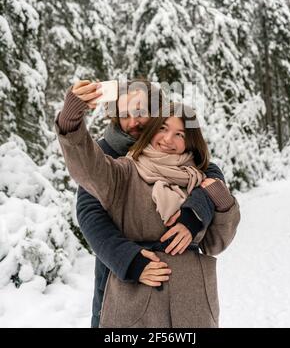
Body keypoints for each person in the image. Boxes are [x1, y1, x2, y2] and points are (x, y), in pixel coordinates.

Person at [55, 80, 240, 328]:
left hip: (189, 296)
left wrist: (196, 211)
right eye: (125, 114)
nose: (133, 122)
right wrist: (129, 261)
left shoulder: (191, 167)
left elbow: (211, 179)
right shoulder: (112, 160)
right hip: (127, 271)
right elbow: (91, 214)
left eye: (141, 112)